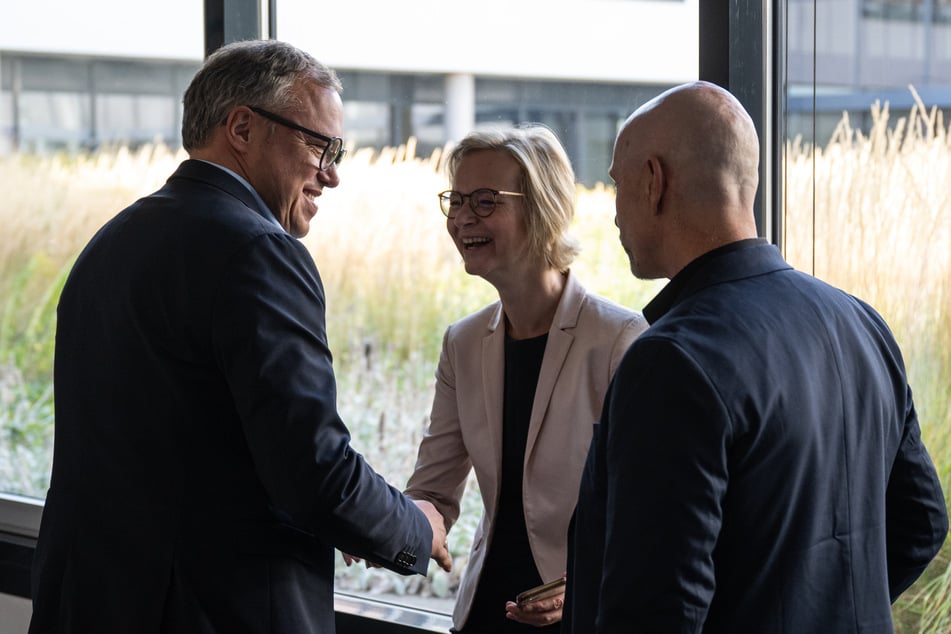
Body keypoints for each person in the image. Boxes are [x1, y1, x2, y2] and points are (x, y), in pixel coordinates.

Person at [28, 39, 450, 634]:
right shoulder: (259, 251)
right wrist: (414, 527)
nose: (331, 174)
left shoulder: (111, 241)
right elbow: (313, 473)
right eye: (319, 145)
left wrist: (349, 516)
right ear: (244, 128)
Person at [563, 80, 949, 633]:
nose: (614, 214)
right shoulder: (862, 322)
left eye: (617, 184)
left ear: (654, 181)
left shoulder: (674, 360)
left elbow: (654, 614)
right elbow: (921, 524)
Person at [402, 124, 648, 632]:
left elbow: (646, 511)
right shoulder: (462, 343)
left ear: (542, 210)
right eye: (457, 199)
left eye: (486, 201)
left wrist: (584, 580)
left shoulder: (620, 339)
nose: (462, 217)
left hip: (583, 614)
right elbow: (434, 489)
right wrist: (383, 527)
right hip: (484, 613)